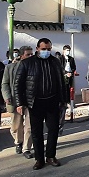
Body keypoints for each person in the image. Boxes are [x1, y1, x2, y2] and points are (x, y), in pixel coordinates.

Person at [14, 38, 64, 170]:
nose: (46, 52)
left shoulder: (55, 62)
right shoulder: (27, 63)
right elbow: (17, 85)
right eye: (43, 49)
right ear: (37, 49)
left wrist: (63, 100)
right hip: (35, 103)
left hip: (52, 101)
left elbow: (61, 82)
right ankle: (39, 159)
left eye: (48, 49)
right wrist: (20, 103)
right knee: (36, 132)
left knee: (53, 129)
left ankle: (51, 156)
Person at [2, 45, 34, 158]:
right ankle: (18, 142)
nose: (30, 56)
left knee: (30, 126)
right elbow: (5, 83)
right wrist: (7, 96)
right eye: (28, 54)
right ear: (21, 56)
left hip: (30, 101)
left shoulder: (35, 67)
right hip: (15, 101)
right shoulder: (10, 68)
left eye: (31, 54)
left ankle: (26, 148)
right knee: (16, 126)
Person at [59, 44, 77, 123]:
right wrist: (65, 73)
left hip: (70, 77)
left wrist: (71, 72)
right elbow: (59, 67)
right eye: (66, 50)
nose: (68, 52)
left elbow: (74, 67)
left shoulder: (71, 59)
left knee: (70, 91)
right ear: (63, 51)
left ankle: (69, 103)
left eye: (69, 50)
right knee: (63, 92)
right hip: (63, 78)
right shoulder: (60, 58)